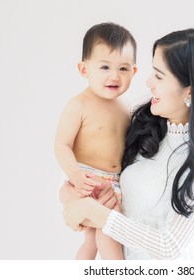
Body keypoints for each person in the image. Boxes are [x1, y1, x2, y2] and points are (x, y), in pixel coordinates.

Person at [60, 27, 194, 259]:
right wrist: (71, 197)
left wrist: (94, 213)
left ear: (190, 91)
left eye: (159, 76)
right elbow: (92, 166)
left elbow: (168, 245)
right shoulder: (144, 127)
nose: (149, 83)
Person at [54, 22, 137, 260]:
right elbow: (62, 145)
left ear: (134, 72)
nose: (114, 76)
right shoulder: (78, 104)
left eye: (123, 68)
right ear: (84, 69)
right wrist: (76, 176)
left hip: (114, 183)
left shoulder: (127, 105)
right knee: (105, 237)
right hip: (87, 178)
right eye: (104, 67)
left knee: (96, 239)